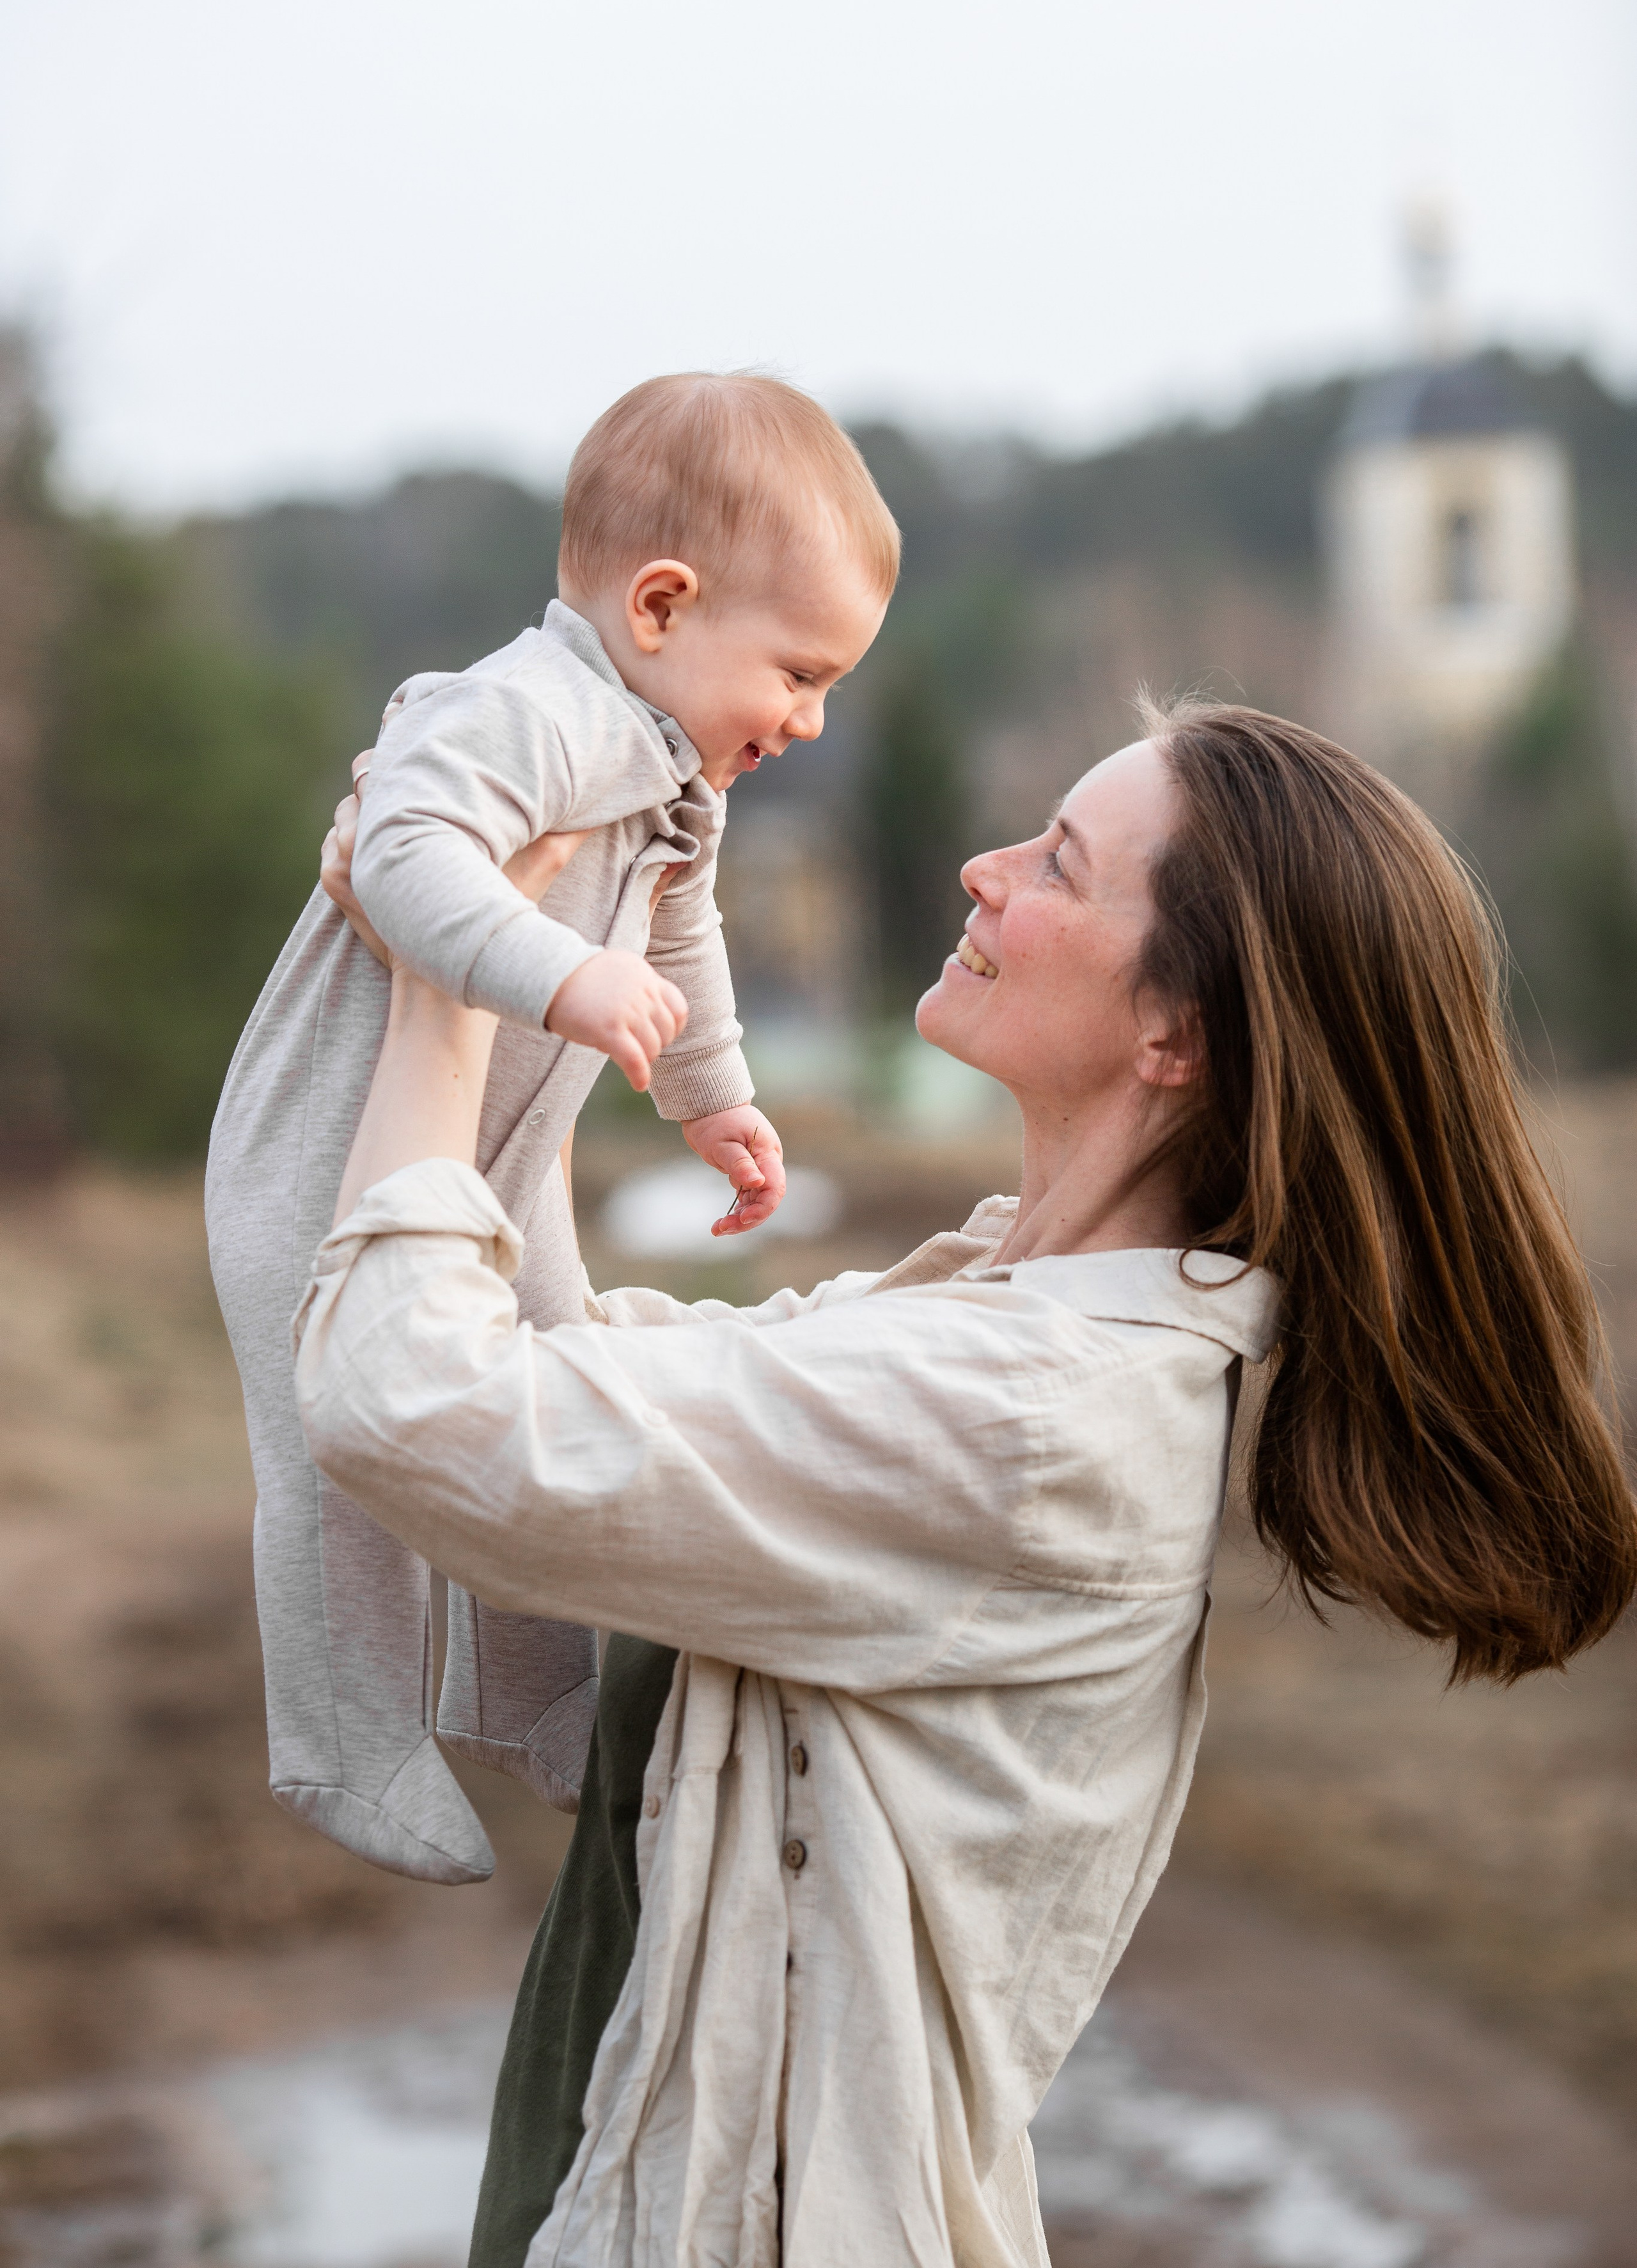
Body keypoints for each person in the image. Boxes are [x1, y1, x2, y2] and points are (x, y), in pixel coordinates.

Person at [297, 701, 1637, 2268]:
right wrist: (507, 935)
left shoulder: (1029, 1416)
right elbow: (564, 1369)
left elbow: (418, 1405)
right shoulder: (983, 1320)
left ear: (1175, 1036)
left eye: (1057, 865)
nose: (981, 870)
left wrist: (442, 992)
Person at [205, 373, 897, 1886]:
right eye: (796, 672)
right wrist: (553, 966)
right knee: (335, 1460)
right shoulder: (518, 711)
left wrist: (716, 1097)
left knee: (551, 1402)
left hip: (497, 1166)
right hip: (322, 1164)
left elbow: (683, 933)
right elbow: (397, 848)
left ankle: (530, 1696)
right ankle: (344, 1738)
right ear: (660, 606)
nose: (811, 715)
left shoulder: (672, 774)